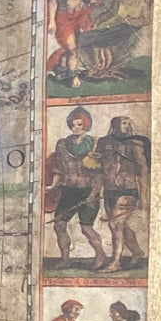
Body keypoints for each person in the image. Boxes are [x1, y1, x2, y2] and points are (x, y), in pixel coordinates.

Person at [45, 107, 107, 267]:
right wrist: (53, 185)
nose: (76, 128)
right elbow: (59, 169)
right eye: (73, 125)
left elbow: (100, 175)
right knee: (59, 225)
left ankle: (101, 256)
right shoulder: (62, 144)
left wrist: (93, 195)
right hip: (68, 191)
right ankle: (65, 260)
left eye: (79, 124)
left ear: (86, 124)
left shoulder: (95, 144)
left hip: (88, 191)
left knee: (86, 228)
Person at [98, 114, 151, 270]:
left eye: (128, 123)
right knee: (119, 226)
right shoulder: (103, 142)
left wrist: (143, 196)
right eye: (123, 123)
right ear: (115, 125)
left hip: (127, 189)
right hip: (109, 189)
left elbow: (143, 170)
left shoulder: (135, 144)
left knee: (116, 225)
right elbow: (98, 166)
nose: (127, 126)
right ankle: (136, 251)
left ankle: (115, 262)